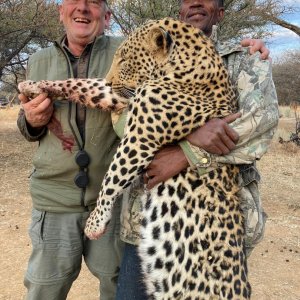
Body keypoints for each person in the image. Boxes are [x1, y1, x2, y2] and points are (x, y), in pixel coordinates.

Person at [115, 0, 279, 299]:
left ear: (219, 13)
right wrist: (194, 131)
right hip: (144, 224)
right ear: (179, 10)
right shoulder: (148, 54)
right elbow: (123, 116)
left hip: (212, 229)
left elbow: (260, 125)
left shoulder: (243, 59)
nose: (195, 2)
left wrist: (184, 153)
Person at [17, 1, 125, 299]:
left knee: (119, 287)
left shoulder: (127, 52)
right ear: (61, 11)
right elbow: (27, 125)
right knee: (43, 288)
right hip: (54, 200)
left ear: (107, 16)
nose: (84, 8)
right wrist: (31, 121)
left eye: (93, 2)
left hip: (112, 201)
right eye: (75, 1)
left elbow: (179, 54)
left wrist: (249, 52)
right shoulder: (37, 60)